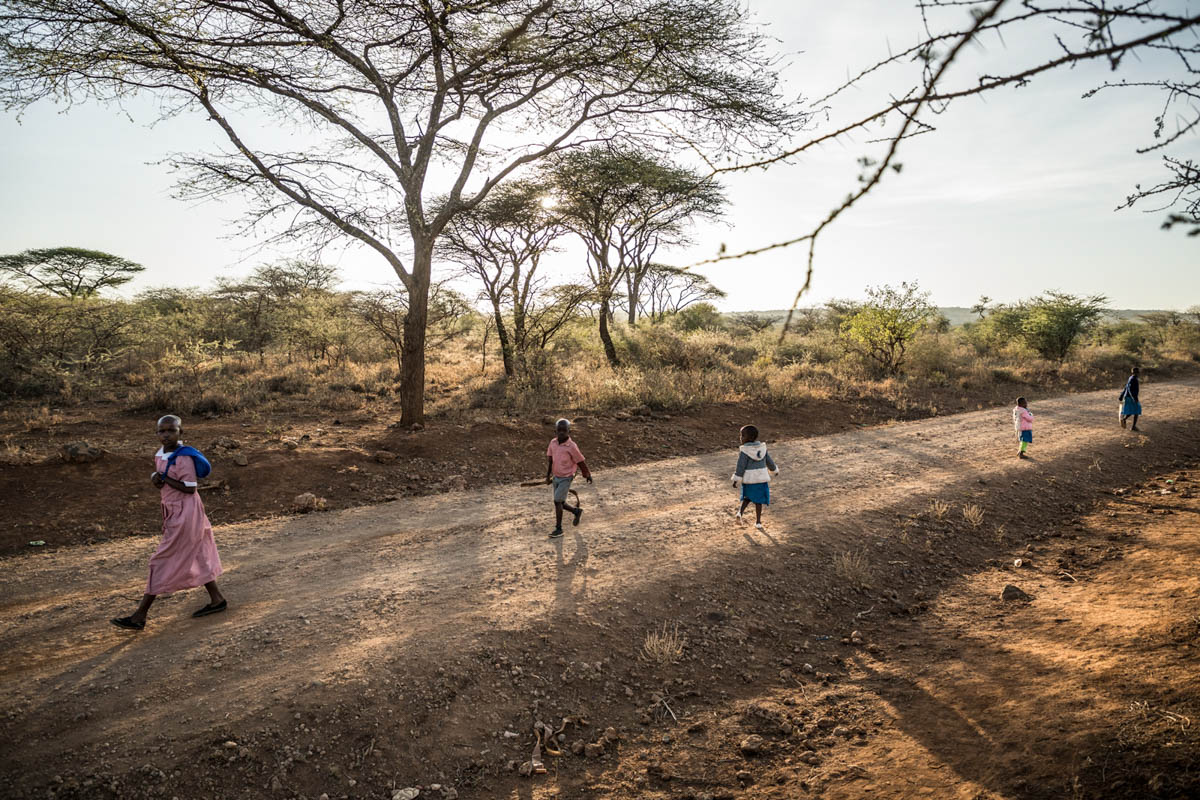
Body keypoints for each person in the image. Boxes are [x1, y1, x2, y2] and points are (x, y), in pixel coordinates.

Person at [111, 415, 226, 630]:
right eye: (161, 431)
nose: (165, 435)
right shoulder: (161, 454)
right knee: (198, 553)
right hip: (174, 511)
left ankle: (139, 616)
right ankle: (217, 599)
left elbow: (190, 488)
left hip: (186, 513)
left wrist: (162, 478)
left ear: (180, 433)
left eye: (171, 431)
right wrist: (157, 479)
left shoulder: (182, 457)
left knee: (160, 560)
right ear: (156, 434)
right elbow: (165, 485)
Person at [545, 418, 592, 539]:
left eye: (564, 430)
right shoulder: (553, 443)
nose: (561, 432)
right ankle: (576, 511)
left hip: (567, 477)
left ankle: (559, 528)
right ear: (555, 431)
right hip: (556, 476)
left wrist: (587, 474)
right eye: (559, 430)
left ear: (569, 431)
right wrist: (548, 475)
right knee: (561, 502)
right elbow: (550, 460)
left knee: (557, 501)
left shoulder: (572, 446)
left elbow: (580, 461)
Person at [732, 424, 779, 531]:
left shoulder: (744, 451)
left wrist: (736, 479)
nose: (741, 438)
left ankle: (740, 513)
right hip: (761, 479)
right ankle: (758, 522)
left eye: (743, 435)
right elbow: (769, 461)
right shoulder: (762, 449)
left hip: (749, 480)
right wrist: (774, 470)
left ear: (750, 438)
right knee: (759, 500)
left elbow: (740, 466)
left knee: (747, 498)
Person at [1119, 366, 1142, 431]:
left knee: (1134, 410)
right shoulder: (1134, 379)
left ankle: (1124, 420)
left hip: (1128, 396)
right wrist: (1134, 398)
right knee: (1136, 410)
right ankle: (1133, 426)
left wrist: (1121, 395)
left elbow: (1126, 387)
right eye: (1138, 372)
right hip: (1130, 397)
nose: (1138, 373)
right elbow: (1129, 389)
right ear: (1137, 372)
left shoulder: (1131, 378)